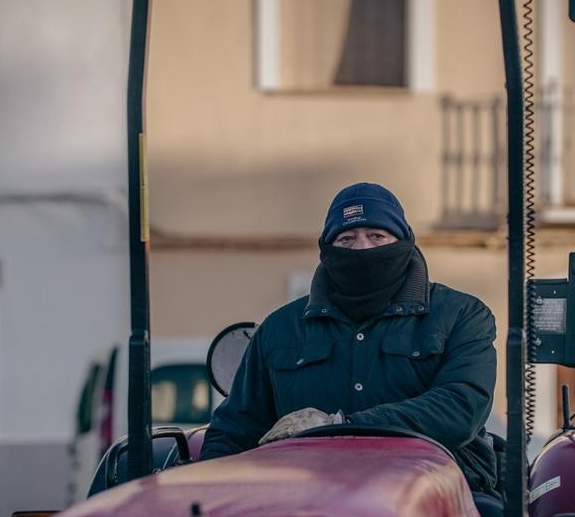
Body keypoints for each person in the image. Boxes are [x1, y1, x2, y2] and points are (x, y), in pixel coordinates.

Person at [200, 182, 500, 498]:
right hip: (305, 498)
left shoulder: (461, 315)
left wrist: (339, 426)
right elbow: (235, 429)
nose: (362, 249)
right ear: (327, 249)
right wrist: (206, 496)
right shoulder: (279, 330)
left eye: (377, 236)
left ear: (404, 242)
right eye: (346, 238)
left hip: (437, 494)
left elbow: (461, 407)